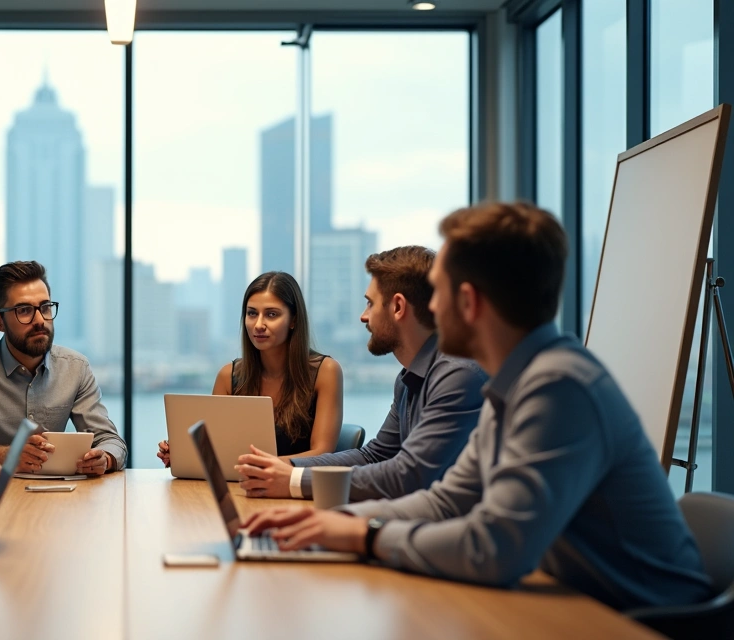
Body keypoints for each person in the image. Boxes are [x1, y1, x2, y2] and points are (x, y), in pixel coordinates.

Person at [243, 202, 712, 611]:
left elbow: (494, 547)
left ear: (467, 302)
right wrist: (333, 521)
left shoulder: (559, 387)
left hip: (649, 625)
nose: (431, 307)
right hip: (586, 604)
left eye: (438, 291)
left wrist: (365, 536)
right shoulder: (514, 384)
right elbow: (447, 500)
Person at [233, 247, 488, 501]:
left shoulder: (458, 375)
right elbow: (374, 456)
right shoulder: (408, 380)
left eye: (370, 303)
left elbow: (410, 475)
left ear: (398, 307)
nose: (363, 316)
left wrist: (294, 480)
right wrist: (284, 468)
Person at [0, 261, 127, 475]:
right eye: (24, 310)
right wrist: (8, 456)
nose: (40, 320)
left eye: (45, 307)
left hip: (59, 492)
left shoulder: (75, 368)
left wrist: (105, 458)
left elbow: (110, 440)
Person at [156, 271, 343, 464]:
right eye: (252, 313)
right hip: (241, 481)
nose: (259, 324)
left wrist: (260, 466)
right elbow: (217, 450)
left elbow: (322, 453)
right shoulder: (228, 376)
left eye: (271, 314)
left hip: (295, 483)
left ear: (293, 320)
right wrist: (184, 454)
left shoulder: (326, 372)